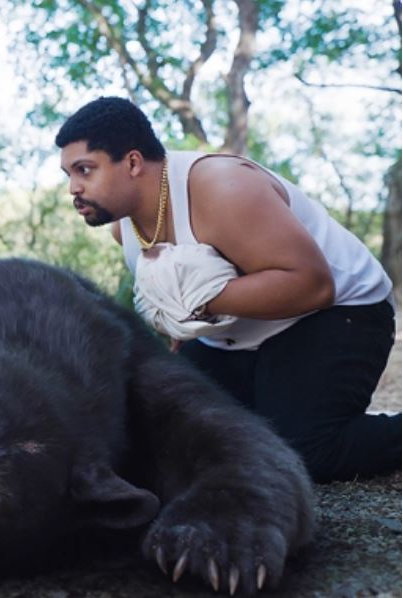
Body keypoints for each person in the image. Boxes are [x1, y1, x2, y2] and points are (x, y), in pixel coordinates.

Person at [54, 96, 399, 483]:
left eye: (85, 170)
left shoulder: (222, 187)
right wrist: (179, 331)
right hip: (235, 338)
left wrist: (197, 300)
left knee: (305, 451)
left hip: (336, 313)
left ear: (133, 162)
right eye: (69, 174)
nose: (73, 188)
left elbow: (313, 285)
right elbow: (173, 301)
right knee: (159, 432)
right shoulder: (124, 228)